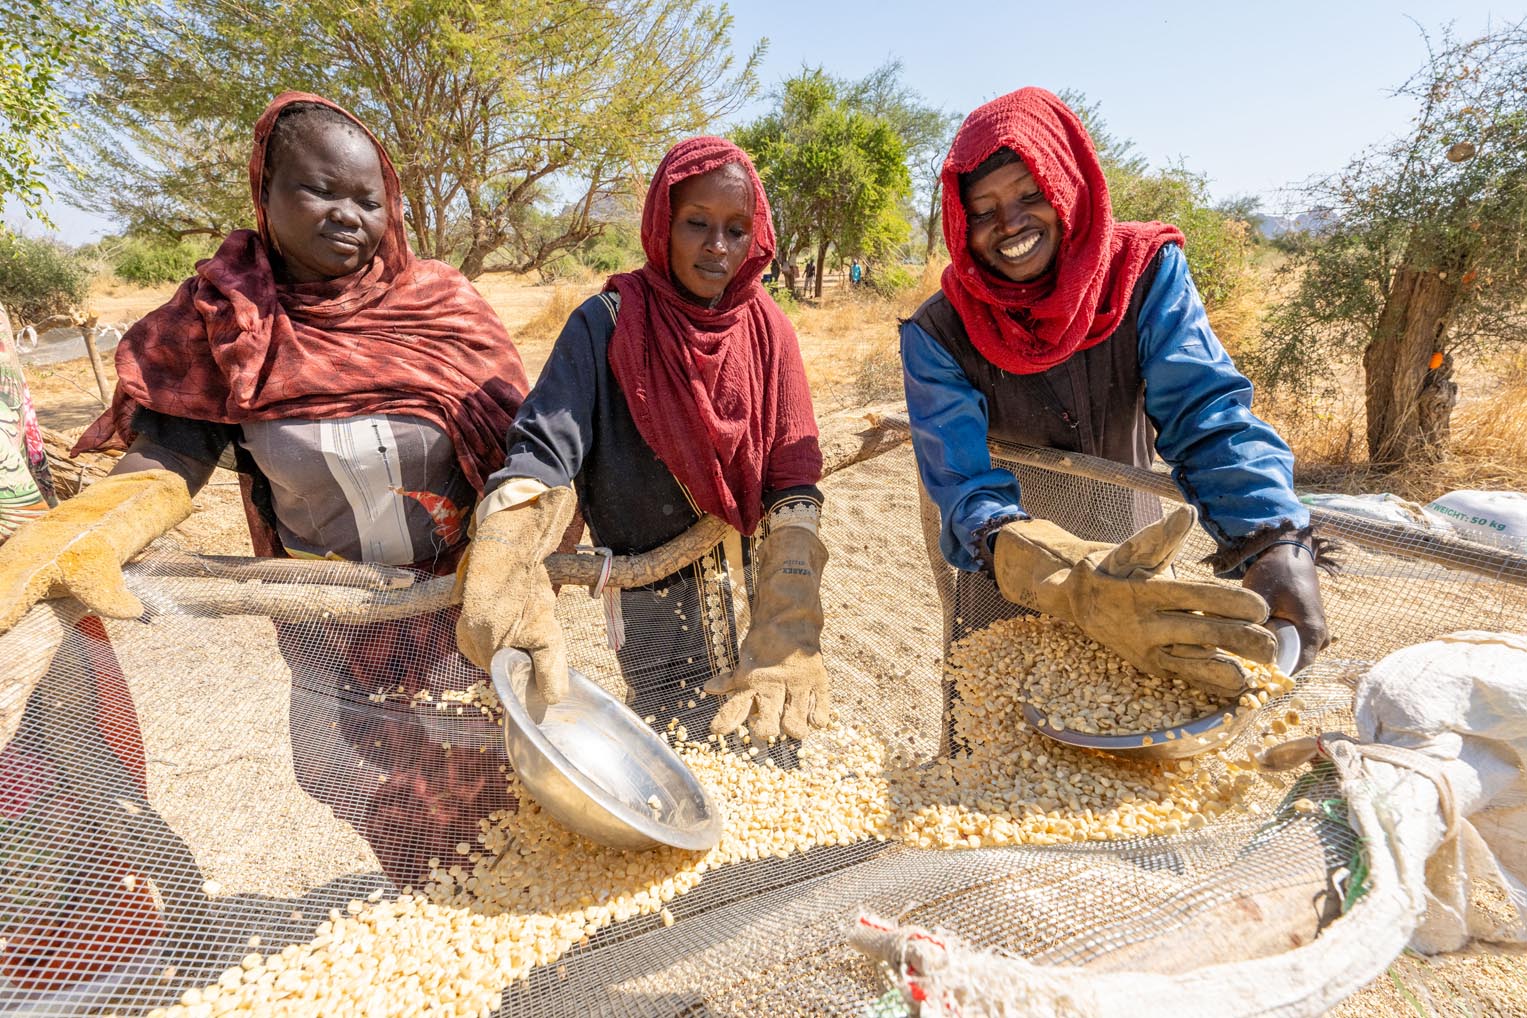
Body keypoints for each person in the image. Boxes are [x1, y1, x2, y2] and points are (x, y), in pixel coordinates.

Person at [0, 92, 531, 886]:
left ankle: (509, 913)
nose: (347, 215)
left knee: (492, 769)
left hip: (458, 607)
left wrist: (517, 549)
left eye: (368, 199)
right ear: (266, 192)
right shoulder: (226, 319)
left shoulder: (439, 305)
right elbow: (167, 463)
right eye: (318, 190)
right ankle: (437, 899)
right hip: (328, 617)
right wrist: (91, 529)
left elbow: (522, 455)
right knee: (355, 773)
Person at [902, 88, 1329, 696]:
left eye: (1031, 195)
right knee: (991, 749)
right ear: (959, 219)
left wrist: (1273, 536)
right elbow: (964, 482)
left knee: (1139, 726)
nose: (1010, 224)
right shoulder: (937, 331)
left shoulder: (1143, 274)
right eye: (984, 209)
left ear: (1067, 187)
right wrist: (1056, 574)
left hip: (1135, 559)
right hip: (1007, 575)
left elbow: (1204, 410)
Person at [455, 136, 831, 744]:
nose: (717, 247)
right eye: (696, 224)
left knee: (769, 746)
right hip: (652, 595)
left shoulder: (768, 329)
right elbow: (545, 447)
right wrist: (507, 538)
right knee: (676, 739)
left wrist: (789, 611)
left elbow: (794, 468)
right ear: (662, 225)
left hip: (760, 588)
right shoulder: (607, 324)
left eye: (737, 229)